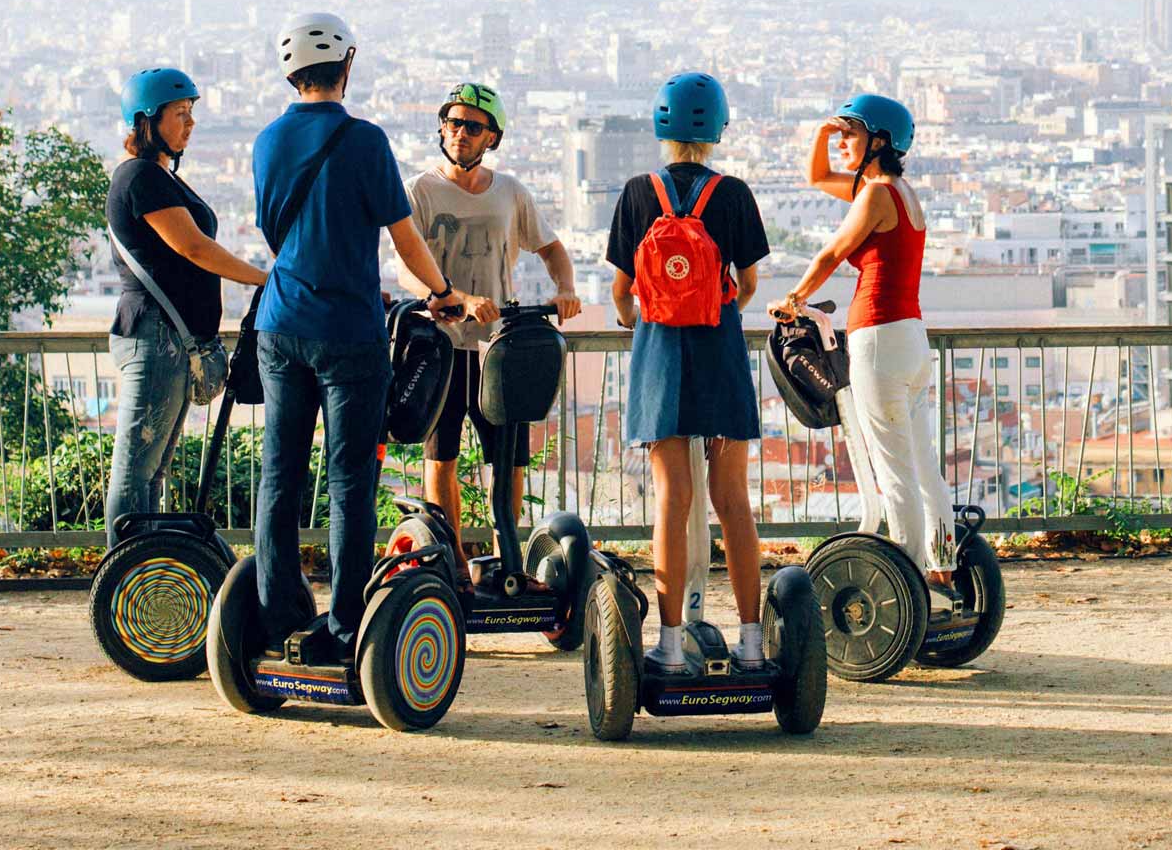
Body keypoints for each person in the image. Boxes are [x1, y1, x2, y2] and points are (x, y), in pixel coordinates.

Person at [251, 13, 486, 660]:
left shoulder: (266, 141)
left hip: (279, 324)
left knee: (280, 473)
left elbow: (275, 236)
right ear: (346, 65)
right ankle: (344, 625)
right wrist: (442, 294)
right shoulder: (363, 141)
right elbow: (405, 239)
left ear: (290, 71)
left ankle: (276, 612)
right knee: (350, 478)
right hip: (348, 332)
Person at [607, 72, 771, 671]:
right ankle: (753, 646)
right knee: (732, 500)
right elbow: (749, 282)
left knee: (674, 499)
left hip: (660, 357)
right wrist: (720, 310)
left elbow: (621, 291)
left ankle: (671, 646)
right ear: (717, 127)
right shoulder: (733, 195)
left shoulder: (635, 192)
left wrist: (640, 318)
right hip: (719, 349)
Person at [396, 82, 581, 570]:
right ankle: (451, 555)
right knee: (442, 455)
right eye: (453, 123)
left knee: (508, 458)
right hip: (441, 345)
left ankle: (508, 555)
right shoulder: (419, 190)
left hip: (499, 346)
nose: (459, 133)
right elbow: (403, 267)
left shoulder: (510, 192)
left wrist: (564, 287)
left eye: (472, 126)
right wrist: (447, 299)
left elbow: (551, 247)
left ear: (491, 138)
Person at [774, 93, 955, 584]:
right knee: (923, 466)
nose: (843, 143)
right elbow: (816, 178)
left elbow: (832, 253)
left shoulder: (875, 195)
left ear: (879, 141)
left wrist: (793, 299)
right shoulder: (902, 192)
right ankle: (943, 570)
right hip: (913, 338)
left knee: (893, 471)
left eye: (851, 135)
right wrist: (822, 133)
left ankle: (908, 579)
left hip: (878, 338)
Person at [104, 68, 267, 547]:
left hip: (169, 339)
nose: (190, 124)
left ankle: (147, 577)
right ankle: (124, 577)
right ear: (146, 121)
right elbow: (192, 247)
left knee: (151, 473)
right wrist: (266, 278)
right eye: (180, 114)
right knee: (136, 472)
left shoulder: (159, 176)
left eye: (191, 113)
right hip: (154, 337)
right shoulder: (139, 177)